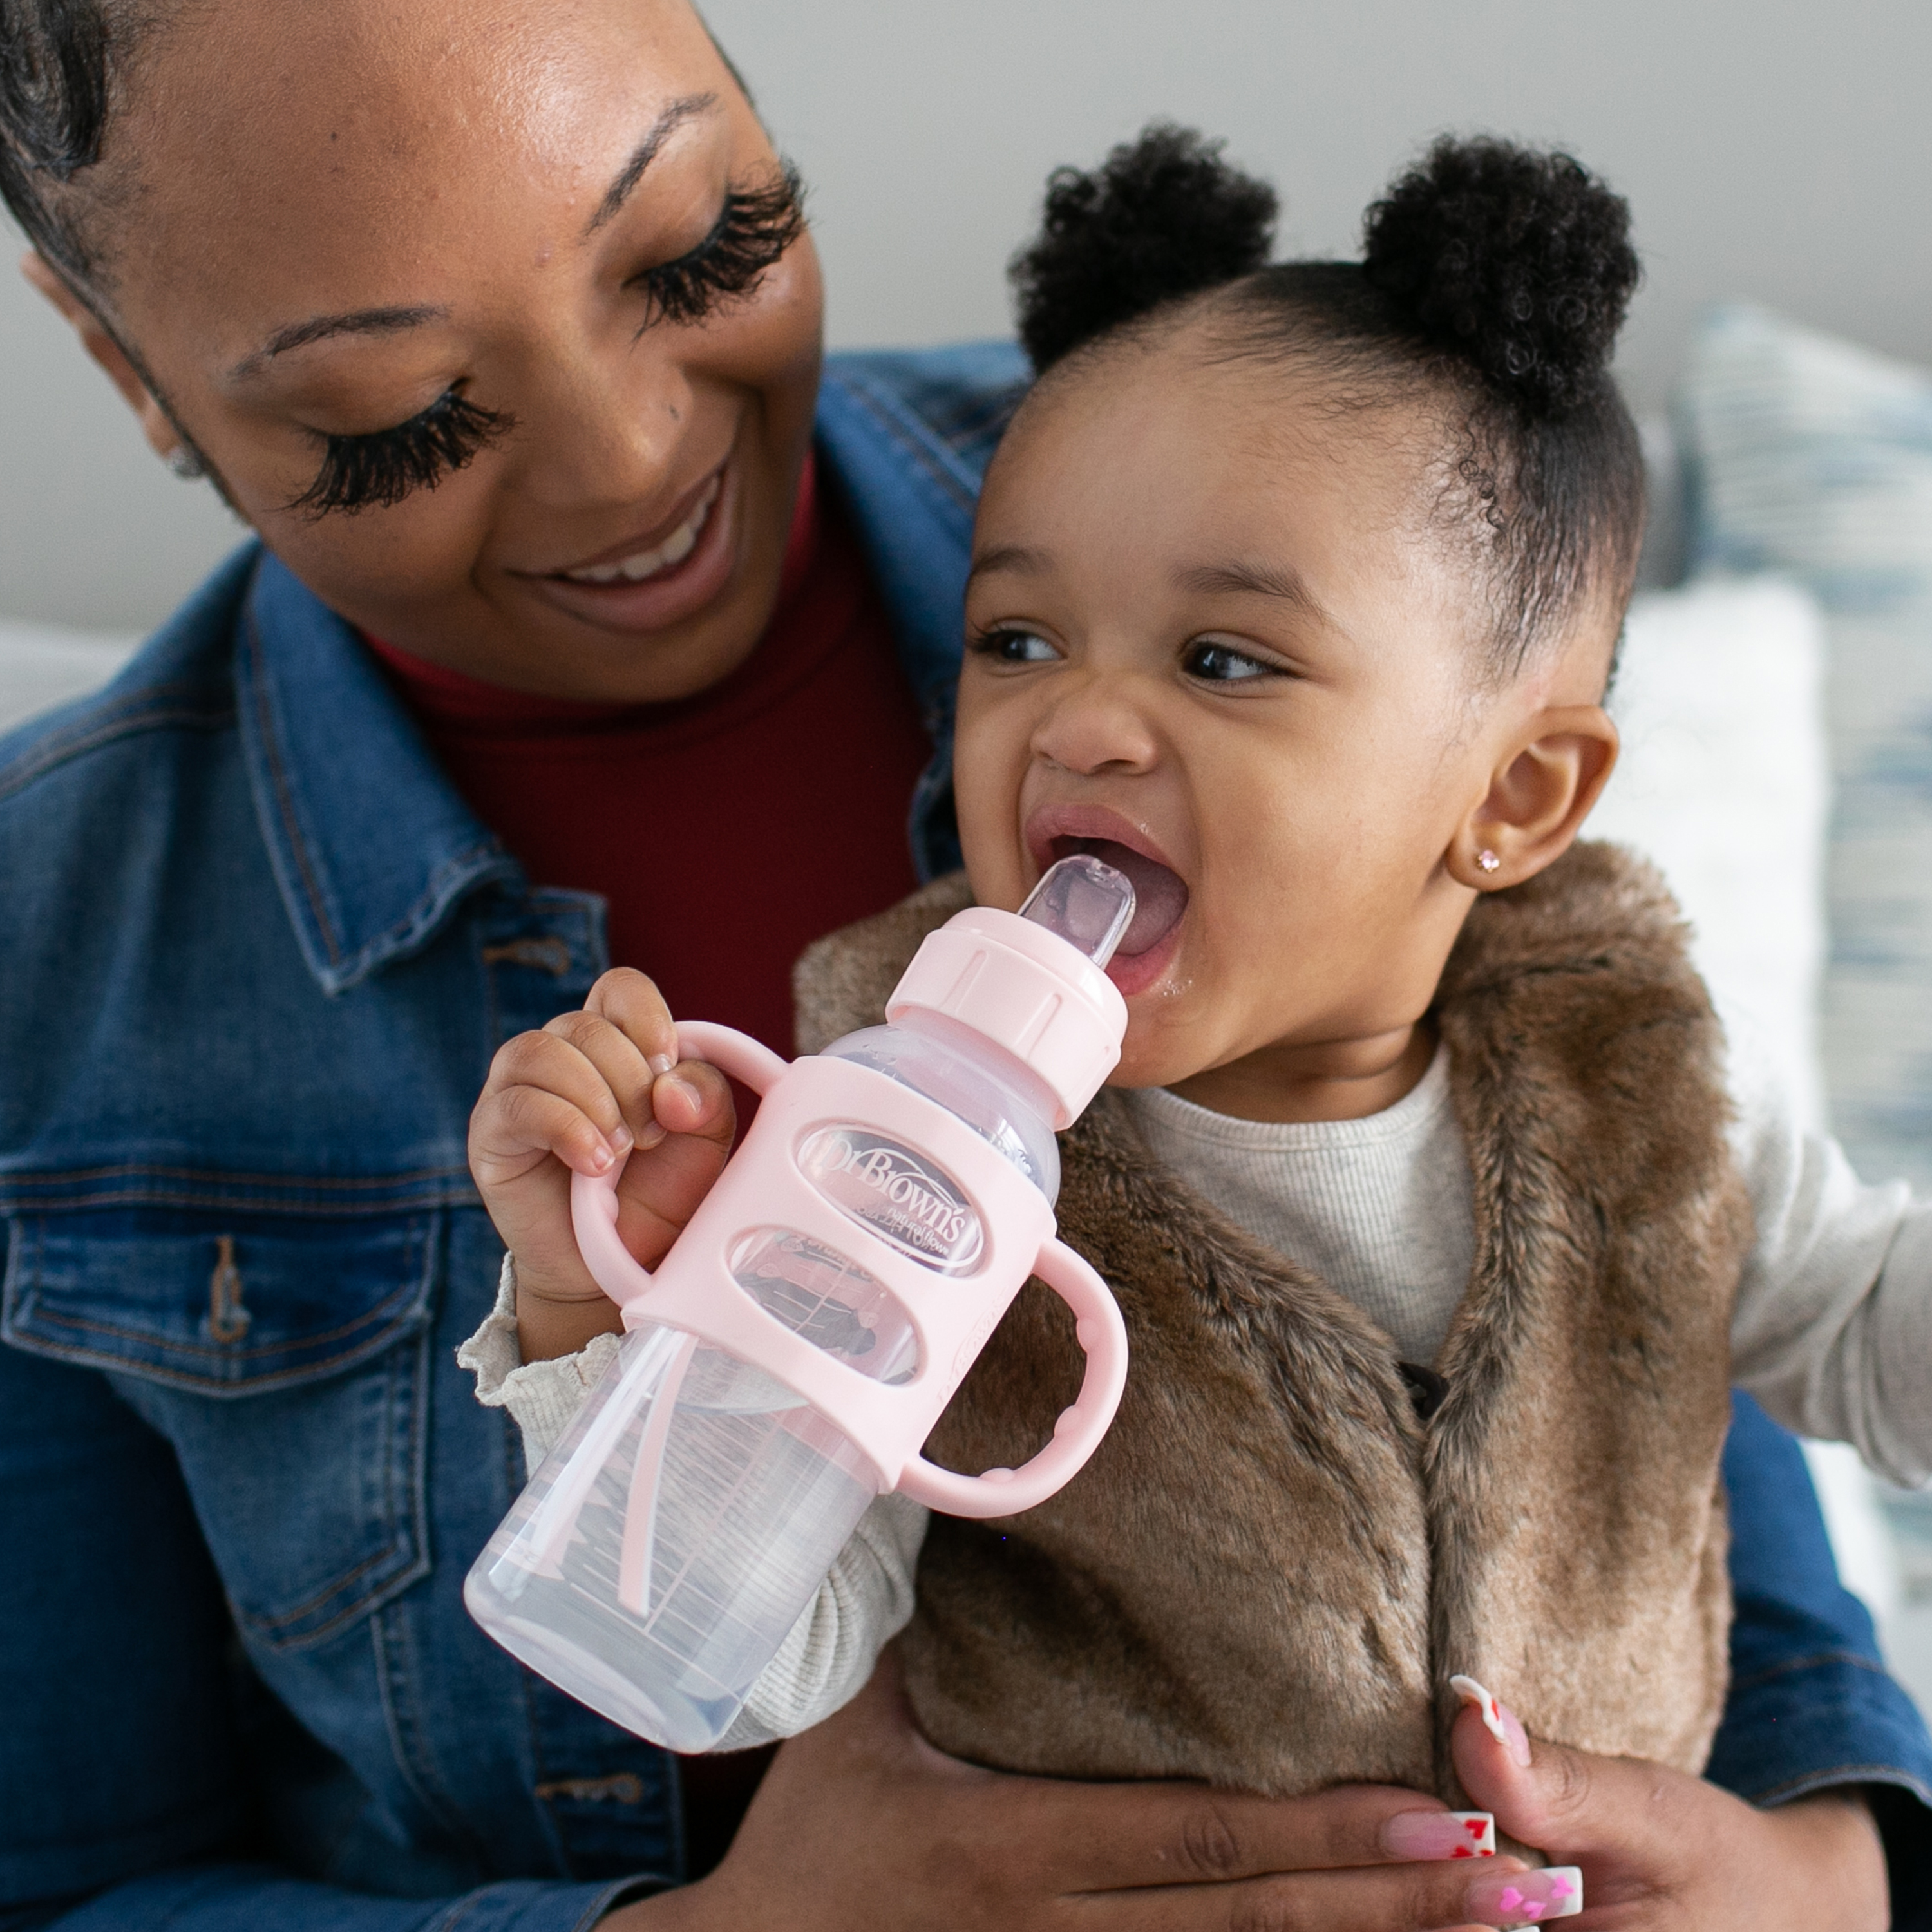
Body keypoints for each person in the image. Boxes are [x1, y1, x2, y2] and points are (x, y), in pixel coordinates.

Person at [0, 0, 1922, 1920]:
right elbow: (80, 1875)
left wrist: (1828, 1866)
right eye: (398, 413)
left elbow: (1637, 1305)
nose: (630, 464)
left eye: (699, 251)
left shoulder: (1223, 473)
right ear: (125, 364)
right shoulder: (51, 945)